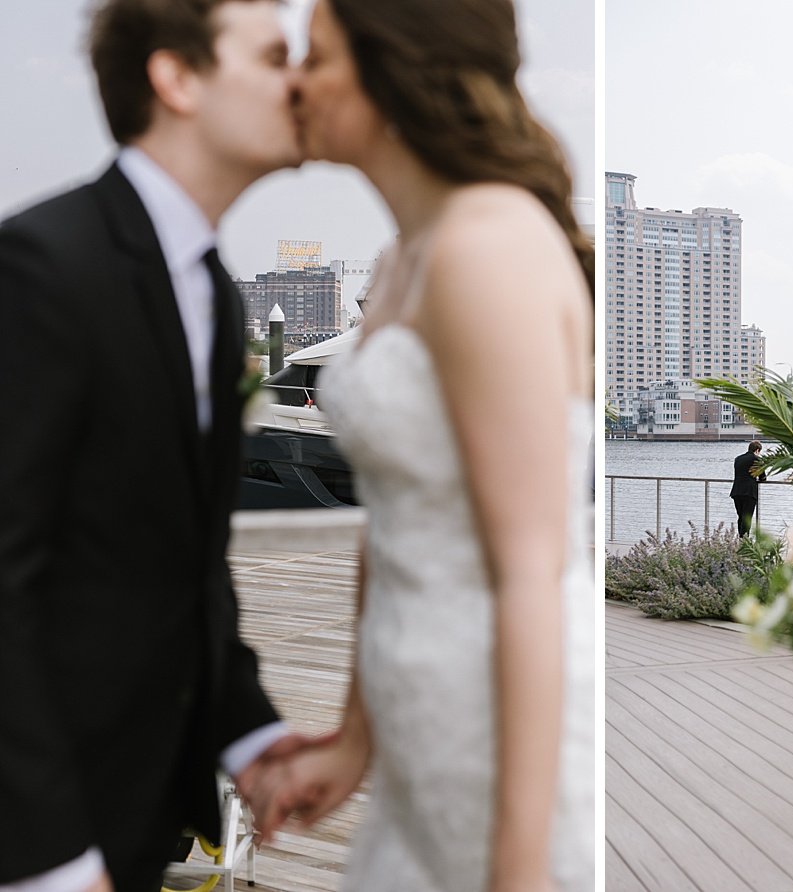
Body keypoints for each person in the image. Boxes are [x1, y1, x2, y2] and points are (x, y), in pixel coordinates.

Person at [244, 0, 595, 890]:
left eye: (316, 57)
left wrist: (518, 868)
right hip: (417, 725)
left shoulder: (488, 248)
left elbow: (532, 573)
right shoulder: (403, 259)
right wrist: (357, 741)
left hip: (499, 733)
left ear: (389, 68)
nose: (295, 81)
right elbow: (392, 509)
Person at [0, 2, 310, 890]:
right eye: (269, 56)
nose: (297, 82)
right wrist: (47, 858)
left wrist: (248, 732)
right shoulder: (41, 268)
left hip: (136, 813)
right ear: (176, 78)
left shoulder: (212, 292)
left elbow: (188, 568)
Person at [730, 440, 762, 536]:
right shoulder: (757, 459)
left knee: (741, 517)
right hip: (749, 492)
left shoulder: (738, 459)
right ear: (757, 450)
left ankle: (740, 539)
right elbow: (762, 477)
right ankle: (744, 540)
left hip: (736, 491)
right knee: (747, 518)